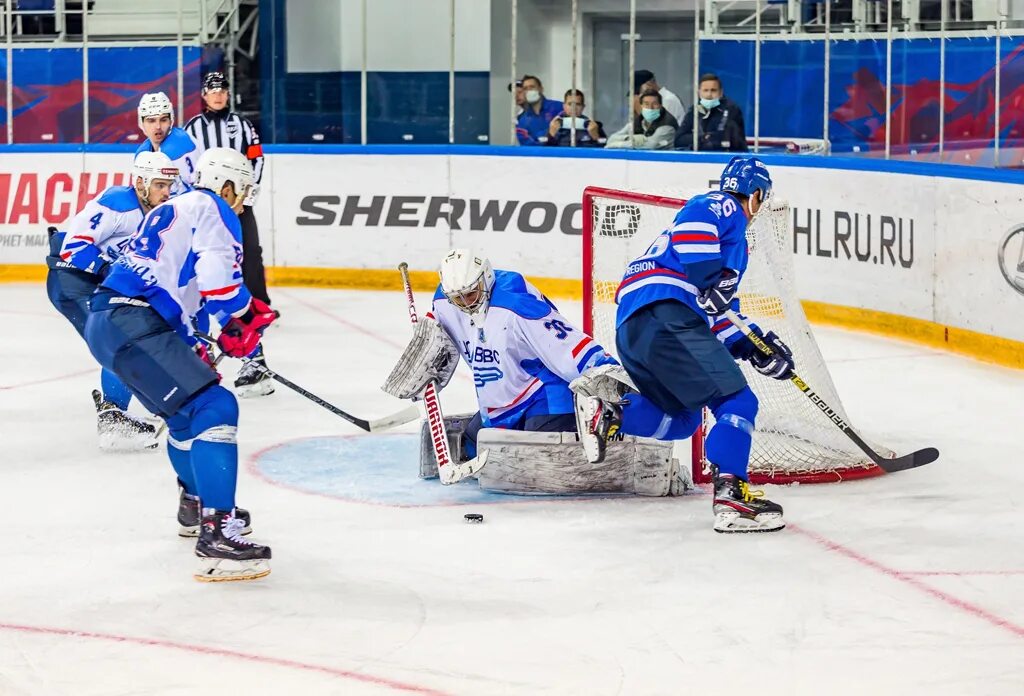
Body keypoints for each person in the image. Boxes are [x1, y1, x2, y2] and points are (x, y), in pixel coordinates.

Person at [84, 147, 277, 582]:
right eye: (242, 191)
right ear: (226, 185)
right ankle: (218, 534)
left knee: (186, 417)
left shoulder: (174, 208)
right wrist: (245, 314)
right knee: (216, 409)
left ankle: (196, 505)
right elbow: (219, 284)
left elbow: (179, 291)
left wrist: (197, 345)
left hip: (109, 321)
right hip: (134, 321)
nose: (242, 202)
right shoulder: (214, 207)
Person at [573, 157, 794, 533]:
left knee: (683, 418)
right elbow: (694, 221)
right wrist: (706, 273)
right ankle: (732, 497)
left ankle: (610, 414)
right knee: (738, 402)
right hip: (667, 315)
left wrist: (756, 346)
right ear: (756, 195)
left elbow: (717, 314)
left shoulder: (732, 251)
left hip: (636, 326)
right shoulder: (724, 207)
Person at [45, 152, 177, 450]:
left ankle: (114, 412)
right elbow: (73, 247)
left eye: (169, 185)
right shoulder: (119, 201)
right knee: (119, 339)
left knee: (127, 336)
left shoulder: (157, 213)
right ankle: (113, 416)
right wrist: (109, 271)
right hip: (71, 280)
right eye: (159, 185)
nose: (166, 192)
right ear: (141, 182)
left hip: (97, 284)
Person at [184, 72, 273, 398]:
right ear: (205, 96)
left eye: (222, 91)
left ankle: (255, 308)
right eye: (213, 91)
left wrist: (246, 194)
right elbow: (187, 164)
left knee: (248, 254)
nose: (218, 96)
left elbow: (256, 157)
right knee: (205, 264)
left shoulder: (242, 125)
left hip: (237, 201)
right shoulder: (193, 127)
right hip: (207, 200)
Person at [134, 92, 198, 194]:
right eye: (151, 121)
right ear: (141, 123)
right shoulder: (142, 152)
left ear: (171, 121)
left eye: (163, 120)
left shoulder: (177, 146)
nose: (158, 126)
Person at [675, 73, 747, 152]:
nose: (709, 94)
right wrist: (702, 137)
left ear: (721, 92)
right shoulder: (695, 110)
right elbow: (679, 139)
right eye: (705, 90)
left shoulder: (731, 109)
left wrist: (705, 139)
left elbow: (728, 140)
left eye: (713, 90)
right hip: (699, 159)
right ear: (699, 92)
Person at [605, 90, 678, 150]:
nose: (650, 107)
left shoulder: (667, 124)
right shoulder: (639, 121)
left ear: (660, 106)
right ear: (641, 106)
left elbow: (650, 146)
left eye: (654, 104)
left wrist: (619, 144)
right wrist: (630, 138)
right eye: (646, 104)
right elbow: (611, 139)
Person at [514, 75, 562, 146]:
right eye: (525, 88)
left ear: (541, 89)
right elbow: (528, 146)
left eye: (532, 87)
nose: (529, 91)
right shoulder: (522, 121)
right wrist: (548, 134)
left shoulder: (559, 107)